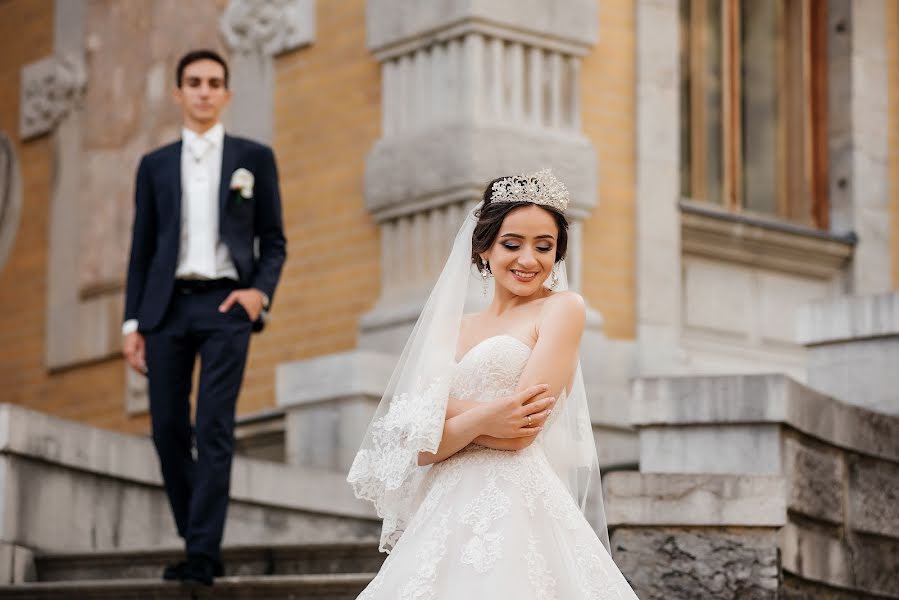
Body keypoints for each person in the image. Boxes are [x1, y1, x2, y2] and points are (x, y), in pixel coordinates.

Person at [348, 169, 638, 598]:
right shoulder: (452, 328)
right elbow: (422, 449)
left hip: (516, 503)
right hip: (443, 509)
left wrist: (445, 413)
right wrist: (486, 415)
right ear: (483, 248)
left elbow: (520, 431)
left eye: (545, 247)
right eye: (512, 244)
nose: (528, 259)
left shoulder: (561, 309)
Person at [122, 49, 286, 587]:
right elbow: (141, 249)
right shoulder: (155, 165)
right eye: (193, 82)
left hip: (226, 306)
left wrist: (257, 293)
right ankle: (196, 534)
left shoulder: (253, 158)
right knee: (167, 428)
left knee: (213, 427)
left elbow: (274, 241)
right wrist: (132, 324)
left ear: (227, 94)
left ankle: (201, 554)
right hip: (166, 309)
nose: (204, 91)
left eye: (214, 83)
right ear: (179, 92)